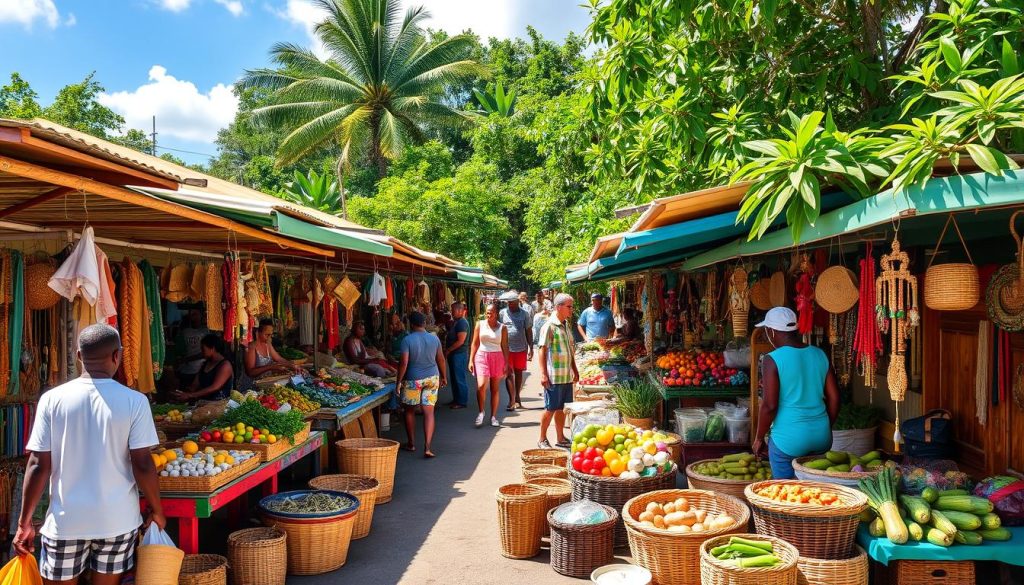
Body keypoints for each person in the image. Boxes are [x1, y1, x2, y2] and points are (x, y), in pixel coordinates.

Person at [16, 324, 165, 584]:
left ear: (78, 356)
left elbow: (38, 465)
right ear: (117, 356)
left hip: (65, 523)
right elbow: (142, 464)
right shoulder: (135, 401)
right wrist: (157, 509)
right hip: (117, 522)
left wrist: (24, 523)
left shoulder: (52, 400)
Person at [751, 307, 841, 479]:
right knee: (816, 492)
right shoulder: (819, 354)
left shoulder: (772, 359)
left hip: (788, 440)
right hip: (821, 436)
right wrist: (824, 426)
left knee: (785, 495)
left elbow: (769, 406)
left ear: (772, 331)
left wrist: (759, 438)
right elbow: (835, 398)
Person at [396, 312, 447, 458]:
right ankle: (427, 447)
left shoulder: (407, 340)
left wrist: (398, 382)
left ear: (411, 324)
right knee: (429, 413)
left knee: (409, 411)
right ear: (424, 323)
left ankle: (411, 444)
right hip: (432, 378)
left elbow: (404, 363)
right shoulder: (434, 339)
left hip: (413, 380)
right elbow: (441, 359)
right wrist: (444, 376)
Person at [538, 293, 579, 449]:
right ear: (558, 307)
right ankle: (542, 438)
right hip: (554, 376)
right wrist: (543, 374)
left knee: (562, 409)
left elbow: (570, 350)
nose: (571, 310)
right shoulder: (549, 326)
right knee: (550, 408)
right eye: (569, 306)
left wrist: (575, 370)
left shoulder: (566, 325)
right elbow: (542, 350)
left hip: (566, 376)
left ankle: (560, 437)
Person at [469, 302, 510, 428]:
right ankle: (481, 412)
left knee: (494, 388)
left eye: (491, 312)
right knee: (481, 386)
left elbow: (504, 346)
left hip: (497, 357)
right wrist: (471, 360)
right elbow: (474, 343)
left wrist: (507, 364)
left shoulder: (502, 328)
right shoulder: (479, 324)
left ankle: (493, 416)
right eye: (487, 312)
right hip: (482, 356)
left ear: (496, 313)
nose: (488, 315)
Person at [171, 334, 234, 402]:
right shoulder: (205, 364)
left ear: (212, 348)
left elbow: (215, 387)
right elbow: (194, 385)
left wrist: (190, 395)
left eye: (203, 349)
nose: (202, 352)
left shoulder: (225, 365)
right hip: (204, 404)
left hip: (219, 405)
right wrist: (180, 393)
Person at [500, 294, 533, 411]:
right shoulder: (502, 313)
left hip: (521, 348)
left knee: (518, 373)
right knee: (508, 373)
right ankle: (511, 400)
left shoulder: (525, 314)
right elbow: (498, 329)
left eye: (512, 302)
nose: (510, 304)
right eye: (508, 302)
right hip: (506, 349)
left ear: (517, 301)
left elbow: (528, 330)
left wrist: (531, 347)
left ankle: (517, 397)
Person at [445, 302, 471, 409]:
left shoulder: (462, 323)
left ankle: (461, 401)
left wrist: (449, 350)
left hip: (459, 354)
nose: (452, 312)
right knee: (455, 377)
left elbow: (461, 341)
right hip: (455, 354)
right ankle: (456, 399)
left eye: (453, 310)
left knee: (459, 377)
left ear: (460, 310)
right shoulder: (457, 321)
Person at [174, 309, 209, 388]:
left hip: (200, 369)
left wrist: (186, 359)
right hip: (185, 371)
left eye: (195, 314)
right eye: (191, 314)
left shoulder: (206, 331)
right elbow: (178, 350)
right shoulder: (184, 331)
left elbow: (206, 353)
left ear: (201, 315)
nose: (193, 316)